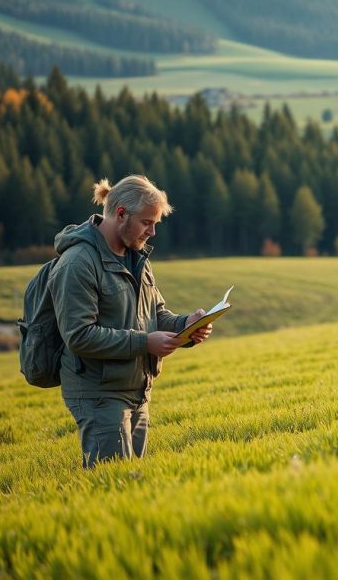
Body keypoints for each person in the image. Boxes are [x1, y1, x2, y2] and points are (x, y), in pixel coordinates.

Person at [49, 175, 213, 468]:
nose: (152, 232)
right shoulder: (78, 263)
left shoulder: (137, 256)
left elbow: (156, 315)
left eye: (155, 224)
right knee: (110, 486)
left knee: (132, 483)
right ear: (121, 214)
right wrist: (145, 342)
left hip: (138, 390)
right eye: (147, 223)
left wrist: (188, 324)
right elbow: (79, 335)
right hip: (100, 394)